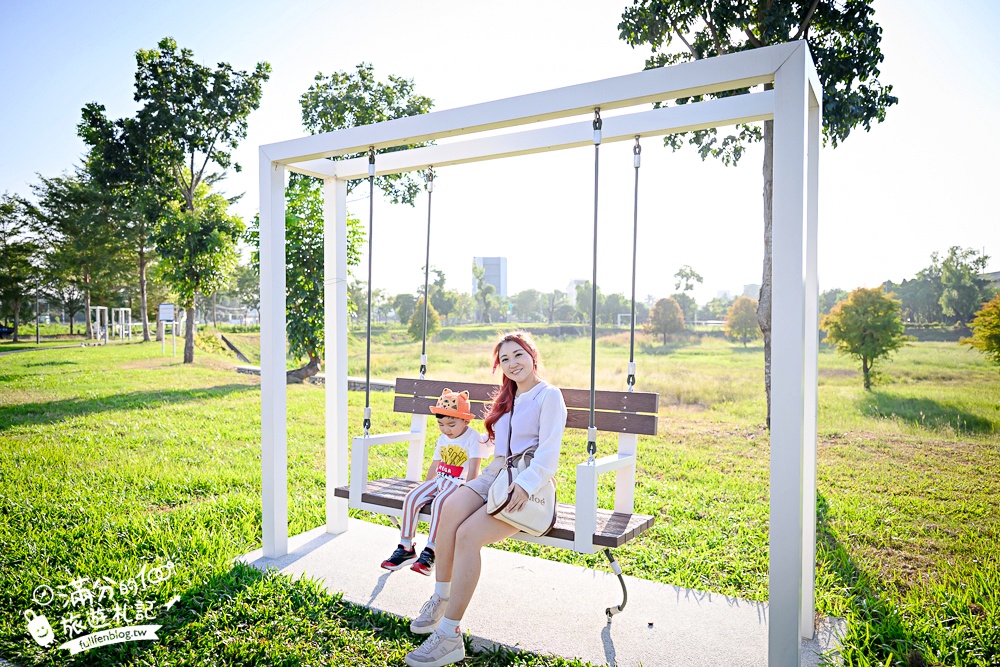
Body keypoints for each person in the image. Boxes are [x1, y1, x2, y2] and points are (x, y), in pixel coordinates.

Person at [404, 331, 567, 667]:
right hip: (494, 475)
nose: (512, 363)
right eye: (504, 359)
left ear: (532, 356)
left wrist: (525, 484)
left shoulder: (549, 396)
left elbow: (549, 453)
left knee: (468, 535)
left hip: (524, 484)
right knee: (447, 508)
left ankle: (449, 634)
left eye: (518, 355)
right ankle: (440, 597)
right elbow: (494, 447)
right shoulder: (508, 399)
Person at [381, 388, 493, 575]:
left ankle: (432, 550)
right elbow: (435, 465)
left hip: (459, 485)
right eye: (441, 424)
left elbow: (474, 470)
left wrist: (468, 496)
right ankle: (406, 546)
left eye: (451, 424)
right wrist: (425, 486)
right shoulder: (442, 438)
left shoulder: (472, 438)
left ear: (465, 420)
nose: (446, 429)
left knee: (441, 503)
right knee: (412, 497)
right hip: (440, 480)